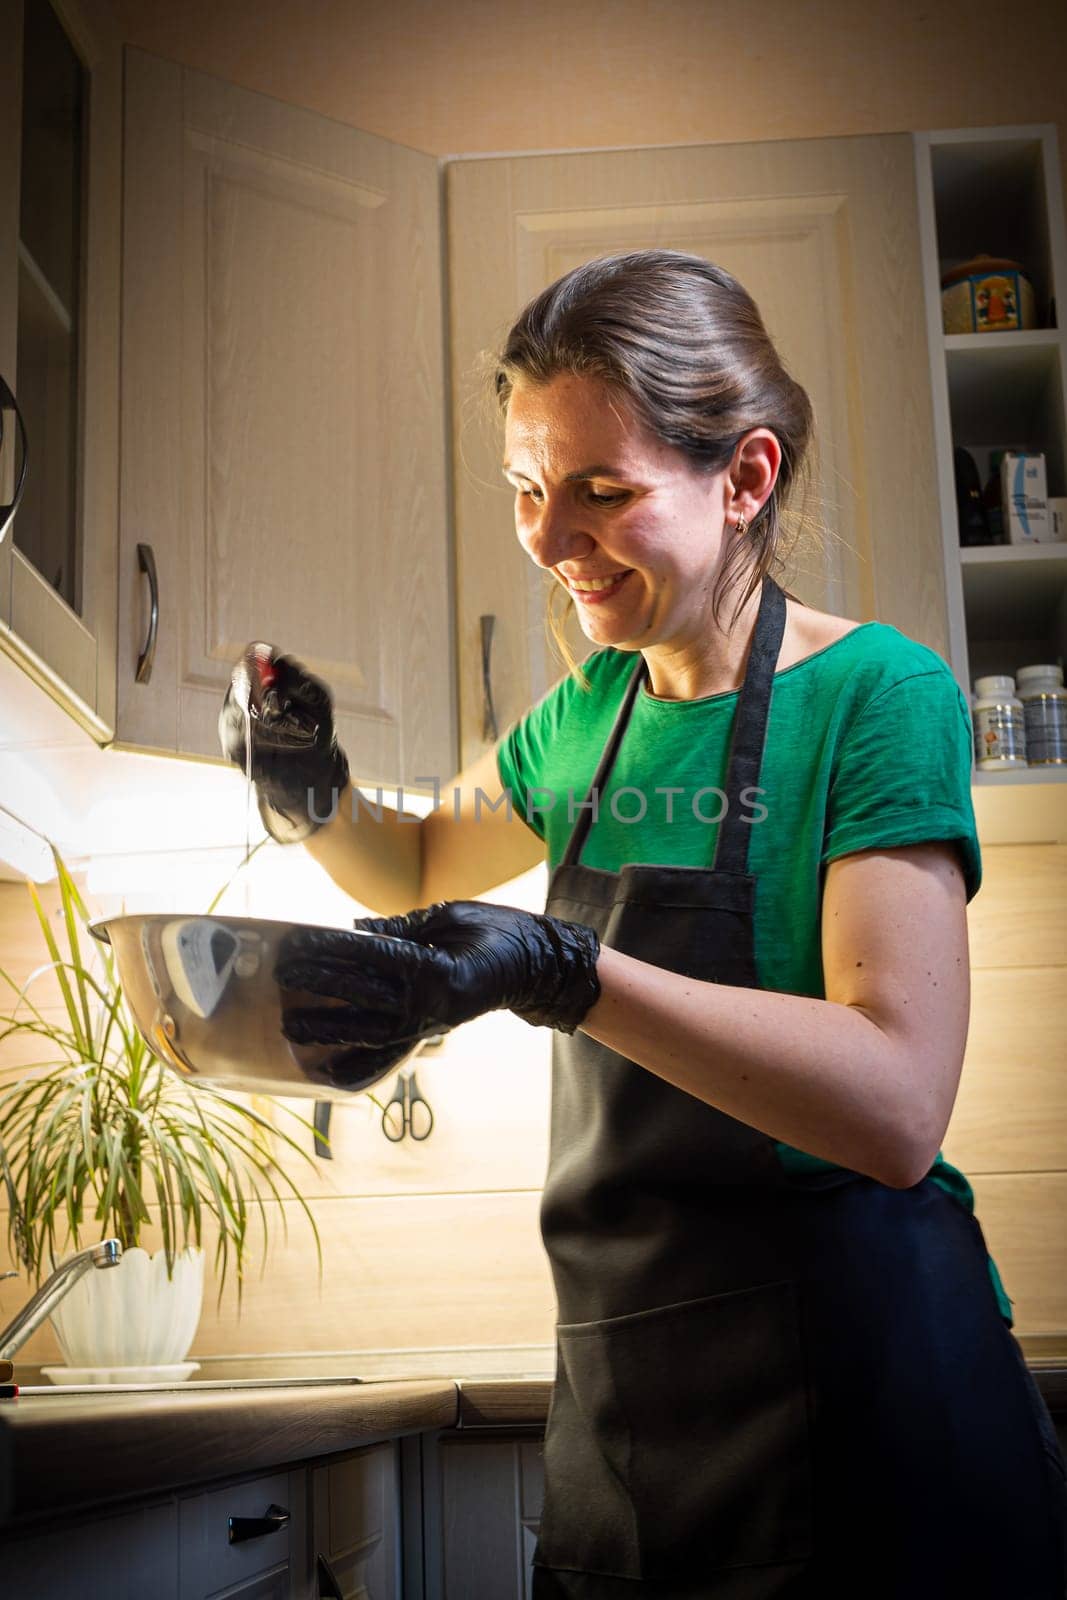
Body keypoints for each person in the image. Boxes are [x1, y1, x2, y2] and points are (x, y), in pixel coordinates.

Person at [221, 250, 1067, 1597]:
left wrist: (568, 972)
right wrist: (311, 787)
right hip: (625, 1407)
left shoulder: (879, 695)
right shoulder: (585, 718)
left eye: (602, 494)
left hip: (862, 1408)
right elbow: (420, 856)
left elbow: (900, 1102)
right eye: (526, 492)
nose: (551, 544)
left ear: (745, 479)